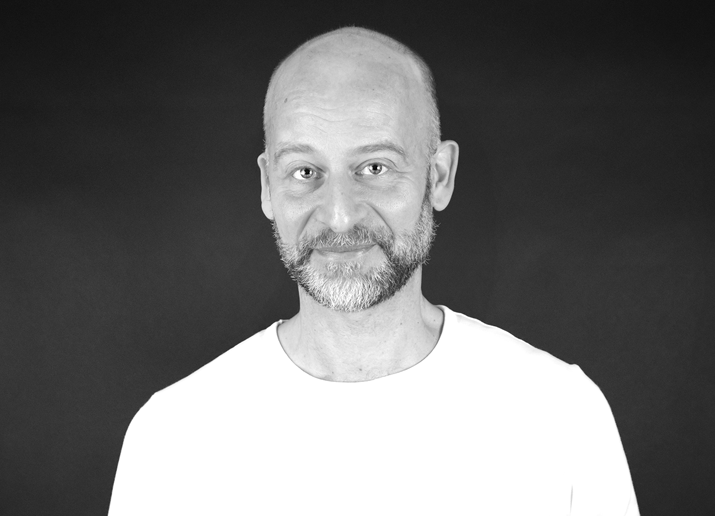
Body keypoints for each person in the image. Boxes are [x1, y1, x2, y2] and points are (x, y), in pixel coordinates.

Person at [108, 27, 639, 515]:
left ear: (439, 176)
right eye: (306, 171)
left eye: (375, 167)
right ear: (268, 187)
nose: (340, 216)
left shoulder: (561, 416)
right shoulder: (172, 439)